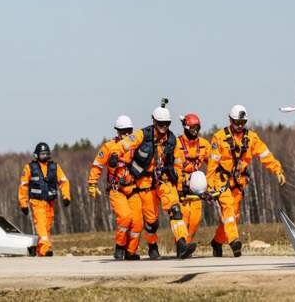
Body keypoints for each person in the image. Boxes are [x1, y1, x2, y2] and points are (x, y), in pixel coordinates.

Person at [122, 99, 197, 259]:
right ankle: (152, 245)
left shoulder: (172, 140)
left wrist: (179, 186)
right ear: (154, 121)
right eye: (161, 124)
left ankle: (182, 243)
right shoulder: (143, 134)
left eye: (167, 124)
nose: (164, 127)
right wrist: (115, 154)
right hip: (145, 184)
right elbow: (125, 144)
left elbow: (177, 164)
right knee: (151, 222)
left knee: (176, 210)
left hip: (164, 181)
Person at [206, 105, 285, 257]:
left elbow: (264, 154)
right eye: (237, 122)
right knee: (228, 207)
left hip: (238, 182)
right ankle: (234, 241)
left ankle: (217, 242)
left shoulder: (251, 138)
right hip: (221, 181)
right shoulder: (219, 137)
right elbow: (212, 165)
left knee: (232, 217)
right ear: (230, 120)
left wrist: (277, 169)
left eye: (243, 122)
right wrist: (209, 187)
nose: (240, 126)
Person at [88, 115, 143, 260]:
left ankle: (131, 251)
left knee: (137, 222)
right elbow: (97, 165)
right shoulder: (108, 147)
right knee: (125, 217)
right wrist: (92, 184)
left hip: (133, 189)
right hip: (116, 190)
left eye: (128, 131)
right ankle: (120, 246)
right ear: (117, 131)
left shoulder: (137, 146)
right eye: (122, 131)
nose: (126, 134)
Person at [18, 142, 71, 257]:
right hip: (37, 202)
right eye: (42, 154)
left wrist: (66, 196)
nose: (45, 156)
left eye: (46, 154)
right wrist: (23, 204)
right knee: (41, 225)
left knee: (46, 228)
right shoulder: (29, 167)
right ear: (36, 155)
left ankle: (40, 251)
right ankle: (47, 248)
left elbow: (64, 181)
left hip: (50, 202)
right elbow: (23, 185)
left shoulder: (54, 167)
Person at [176, 113, 211, 243]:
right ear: (185, 127)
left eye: (197, 128)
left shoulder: (204, 144)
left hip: (196, 186)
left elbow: (213, 165)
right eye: (192, 128)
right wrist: (179, 187)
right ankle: (182, 243)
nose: (195, 131)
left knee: (195, 219)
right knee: (183, 216)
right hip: (181, 186)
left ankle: (187, 244)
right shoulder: (176, 144)